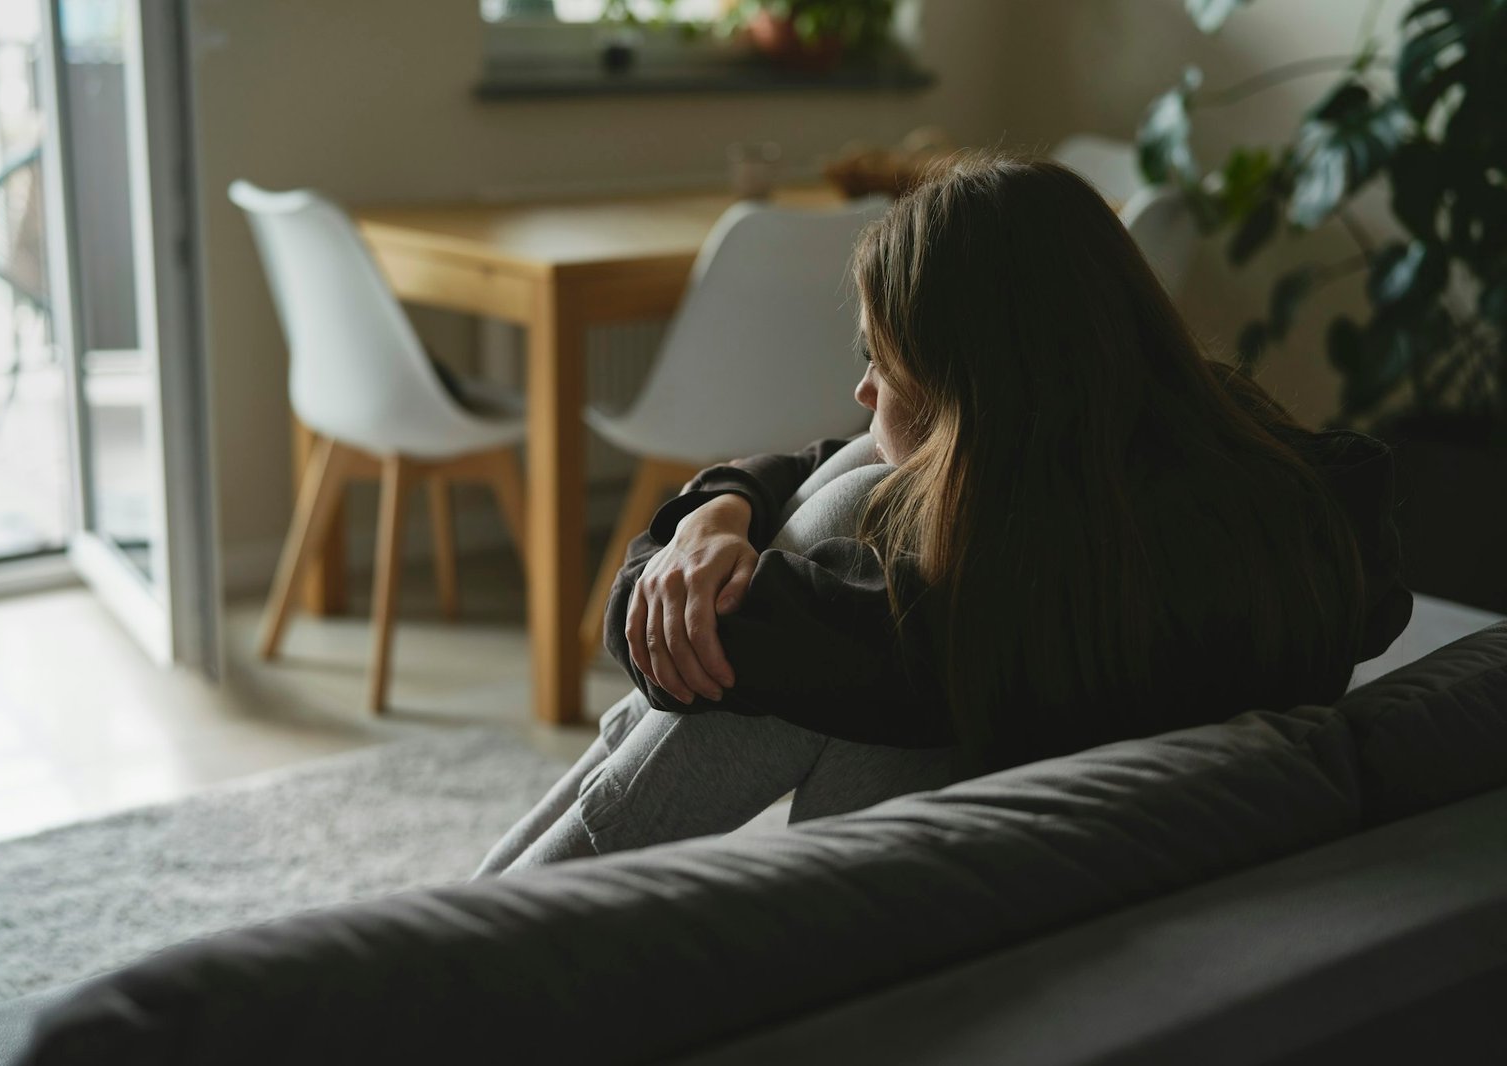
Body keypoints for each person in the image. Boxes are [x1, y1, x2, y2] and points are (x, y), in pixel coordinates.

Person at [475, 151, 1412, 876]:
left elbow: (660, 639)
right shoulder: (1245, 485)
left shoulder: (953, 620)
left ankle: (452, 955)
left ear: (978, 400)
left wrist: (697, 543)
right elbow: (815, 466)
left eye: (886, 366)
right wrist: (716, 511)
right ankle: (458, 929)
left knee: (837, 511)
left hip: (982, 907)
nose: (860, 385)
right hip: (1103, 840)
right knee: (848, 478)